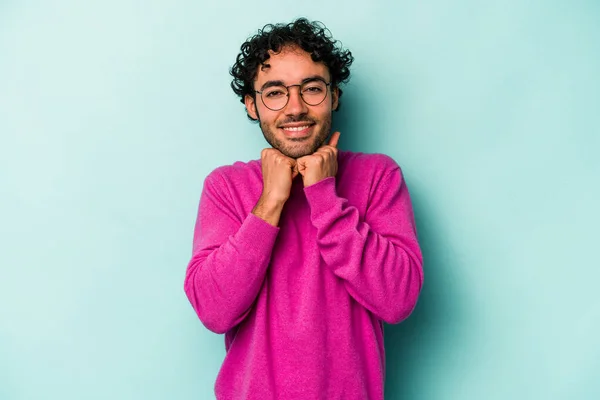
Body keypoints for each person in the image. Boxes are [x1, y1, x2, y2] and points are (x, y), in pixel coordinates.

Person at [184, 17, 424, 400]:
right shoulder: (226, 187)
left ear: (334, 96)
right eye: (275, 93)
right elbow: (214, 311)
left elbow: (397, 301)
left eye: (311, 88)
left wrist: (326, 198)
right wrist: (270, 202)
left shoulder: (378, 176)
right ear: (251, 104)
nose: (295, 108)